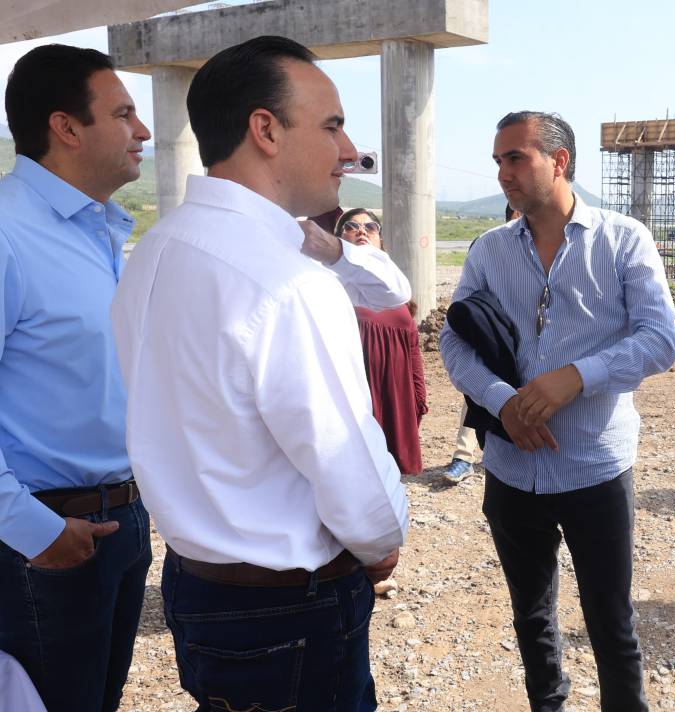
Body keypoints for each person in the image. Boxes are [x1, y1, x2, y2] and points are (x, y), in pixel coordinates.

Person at [110, 35, 410, 710]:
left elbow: (389, 293)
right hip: (288, 607)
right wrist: (384, 538)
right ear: (265, 129)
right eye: (331, 125)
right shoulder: (284, 283)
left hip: (201, 583)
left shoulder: (156, 251)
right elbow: (350, 471)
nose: (348, 149)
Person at [440, 111, 675, 712]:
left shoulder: (623, 239)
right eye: (498, 161)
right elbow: (453, 339)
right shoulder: (490, 249)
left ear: (559, 160)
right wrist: (503, 403)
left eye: (515, 158)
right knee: (531, 615)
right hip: (512, 468)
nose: (503, 174)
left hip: (594, 467)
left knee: (609, 620)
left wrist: (575, 377)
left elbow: (660, 340)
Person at [0, 44, 153, 712]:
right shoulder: (7, 234)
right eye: (123, 114)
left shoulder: (101, 233)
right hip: (42, 544)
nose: (143, 132)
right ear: (66, 128)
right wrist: (31, 529)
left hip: (119, 525)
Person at [335, 207, 427, 479]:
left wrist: (418, 399)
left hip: (395, 399)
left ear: (380, 240)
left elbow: (412, 348)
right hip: (355, 400)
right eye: (351, 226)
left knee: (389, 483)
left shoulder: (395, 285)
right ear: (338, 238)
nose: (361, 230)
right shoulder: (333, 282)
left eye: (370, 227)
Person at [443, 202, 522, 485]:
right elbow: (465, 312)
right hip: (492, 343)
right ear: (515, 214)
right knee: (478, 394)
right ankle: (463, 457)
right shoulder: (489, 246)